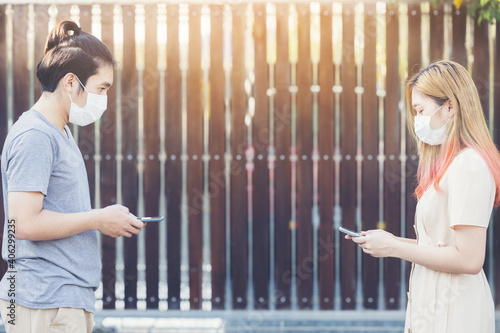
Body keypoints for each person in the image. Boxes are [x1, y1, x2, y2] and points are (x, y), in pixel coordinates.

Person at [0, 20, 145, 333]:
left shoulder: (59, 132)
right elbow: (22, 224)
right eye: (101, 89)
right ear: (70, 82)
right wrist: (97, 219)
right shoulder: (36, 136)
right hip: (43, 301)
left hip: (59, 301)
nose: (103, 99)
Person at [347, 60, 500, 332]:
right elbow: (439, 245)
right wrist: (389, 241)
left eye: (421, 110)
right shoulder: (453, 163)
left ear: (450, 107)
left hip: (455, 315)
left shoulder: (469, 165)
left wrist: (394, 248)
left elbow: (469, 259)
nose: (418, 120)